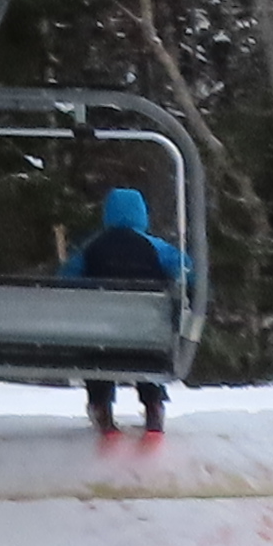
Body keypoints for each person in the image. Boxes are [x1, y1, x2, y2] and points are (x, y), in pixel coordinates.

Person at [56, 185, 186, 432]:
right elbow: (188, 273)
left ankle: (100, 406)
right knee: (151, 355)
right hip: (147, 337)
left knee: (97, 356)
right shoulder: (158, 248)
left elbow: (65, 279)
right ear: (142, 213)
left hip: (100, 338)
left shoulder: (91, 248)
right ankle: (153, 405)